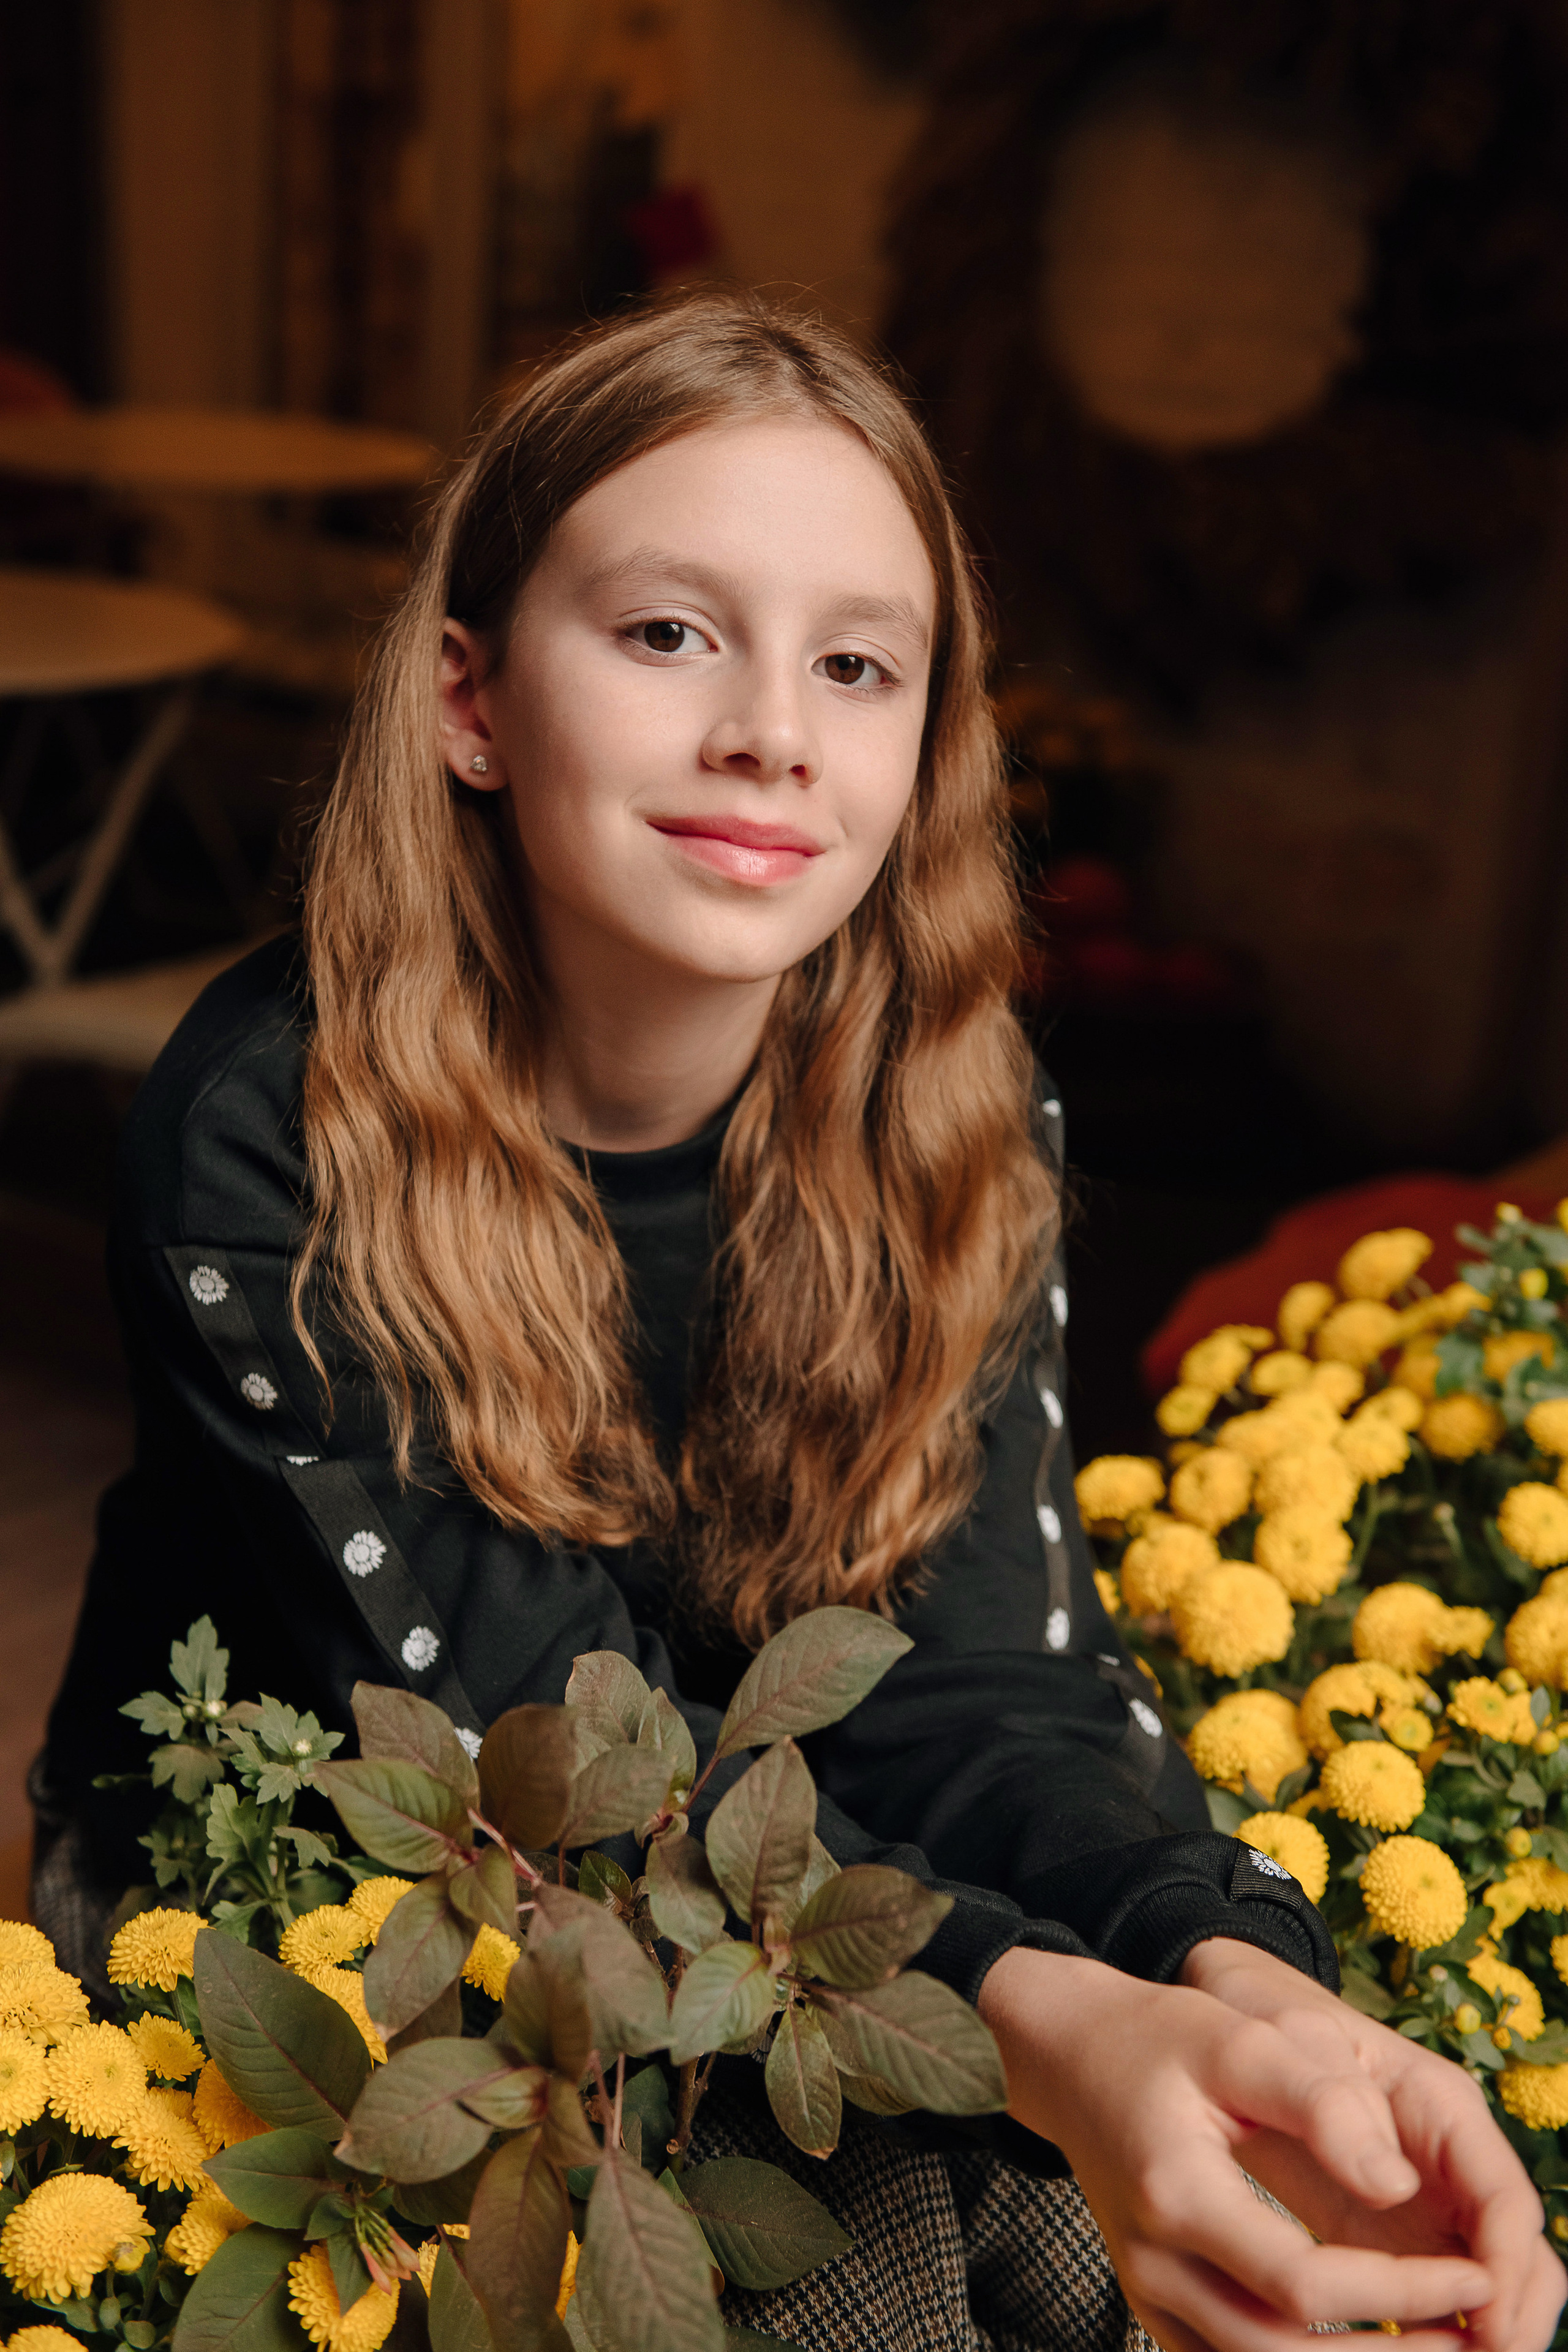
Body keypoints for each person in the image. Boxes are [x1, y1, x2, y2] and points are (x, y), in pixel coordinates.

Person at [39, 293, 1561, 2352]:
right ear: (472, 704)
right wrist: (1050, 2031)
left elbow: (983, 1691)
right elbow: (550, 1784)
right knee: (873, 2234)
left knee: (1092, 2172)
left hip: (788, 1810)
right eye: (671, 634)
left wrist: (1235, 1981)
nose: (774, 725)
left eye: (859, 662)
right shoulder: (268, 1137)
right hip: (349, 1854)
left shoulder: (947, 1094)